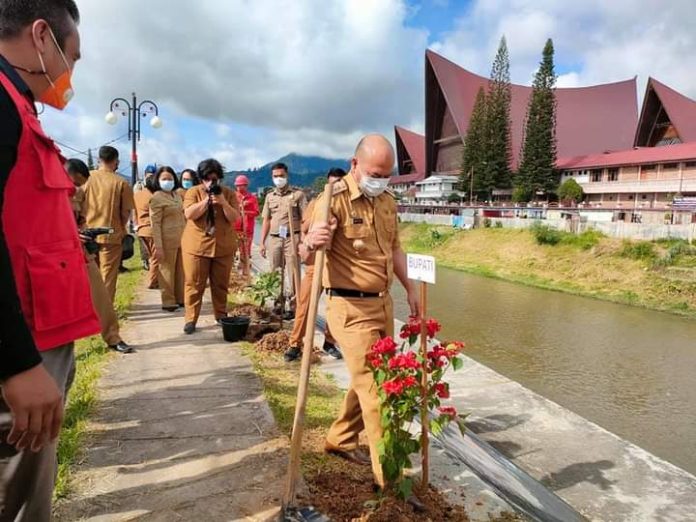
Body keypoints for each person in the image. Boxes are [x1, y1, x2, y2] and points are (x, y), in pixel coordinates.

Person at [0, 2, 102, 519]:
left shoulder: (18, 106)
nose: (70, 74)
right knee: (17, 492)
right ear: (42, 37)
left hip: (40, 336)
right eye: (73, 58)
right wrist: (15, 362)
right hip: (22, 347)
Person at [304, 135, 419, 491]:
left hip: (383, 304)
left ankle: (340, 438)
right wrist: (312, 241)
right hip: (349, 308)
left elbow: (396, 248)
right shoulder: (331, 200)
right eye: (374, 173)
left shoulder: (386, 201)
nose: (380, 180)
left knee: (368, 379)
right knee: (377, 391)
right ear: (354, 165)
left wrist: (411, 289)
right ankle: (390, 480)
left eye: (386, 175)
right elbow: (305, 254)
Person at [66, 159, 134, 354]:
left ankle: (113, 337)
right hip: (49, 253)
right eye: (77, 182)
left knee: (100, 292)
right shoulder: (45, 191)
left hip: (79, 247)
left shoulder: (77, 192)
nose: (77, 188)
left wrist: (80, 230)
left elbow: (80, 219)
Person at [284, 168, 346, 362]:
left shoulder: (349, 204)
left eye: (339, 183)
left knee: (336, 307)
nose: (335, 187)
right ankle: (295, 343)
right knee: (305, 303)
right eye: (332, 183)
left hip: (338, 264)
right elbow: (304, 228)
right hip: (316, 262)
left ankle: (330, 341)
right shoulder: (317, 202)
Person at [181, 159, 240, 334]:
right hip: (197, 246)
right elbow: (189, 214)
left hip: (223, 247)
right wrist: (206, 201)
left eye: (214, 179)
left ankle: (220, 315)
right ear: (201, 179)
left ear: (220, 178)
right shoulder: (193, 192)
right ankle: (190, 319)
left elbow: (235, 218)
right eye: (207, 179)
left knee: (220, 284)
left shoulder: (228, 194)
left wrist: (222, 202)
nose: (211, 183)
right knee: (194, 284)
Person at [81, 145, 135, 302]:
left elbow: (76, 203)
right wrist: (120, 226)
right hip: (111, 235)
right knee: (108, 276)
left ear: (99, 159)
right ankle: (104, 312)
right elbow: (126, 211)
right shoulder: (121, 182)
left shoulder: (86, 178)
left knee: (91, 274)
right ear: (116, 161)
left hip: (87, 234)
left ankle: (90, 309)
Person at [259, 163, 307, 319]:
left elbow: (305, 219)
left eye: (281, 175)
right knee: (275, 272)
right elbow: (266, 220)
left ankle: (294, 306)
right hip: (274, 239)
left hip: (292, 238)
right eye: (275, 176)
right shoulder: (269, 196)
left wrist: (304, 241)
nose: (278, 179)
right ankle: (277, 304)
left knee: (293, 272)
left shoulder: (298, 195)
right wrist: (262, 242)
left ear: (287, 176)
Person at [150, 166, 185, 311]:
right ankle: (168, 301)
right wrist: (158, 246)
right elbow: (155, 223)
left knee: (180, 271)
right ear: (158, 181)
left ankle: (180, 298)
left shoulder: (176, 196)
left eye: (170, 178)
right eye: (164, 179)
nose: (167, 181)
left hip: (181, 238)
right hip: (165, 240)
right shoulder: (157, 197)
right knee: (166, 271)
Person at [133, 168, 159, 289]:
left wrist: (136, 225)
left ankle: (153, 279)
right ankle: (152, 281)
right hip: (151, 229)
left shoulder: (138, 195)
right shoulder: (154, 197)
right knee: (155, 257)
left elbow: (134, 212)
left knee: (149, 256)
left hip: (141, 229)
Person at [233, 174, 259, 277]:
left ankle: (246, 271)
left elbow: (257, 212)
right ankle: (235, 273)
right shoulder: (233, 197)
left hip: (247, 229)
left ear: (246, 185)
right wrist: (239, 208)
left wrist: (246, 212)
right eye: (238, 185)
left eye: (242, 185)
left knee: (246, 251)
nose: (240, 187)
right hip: (235, 229)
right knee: (233, 250)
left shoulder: (252, 198)